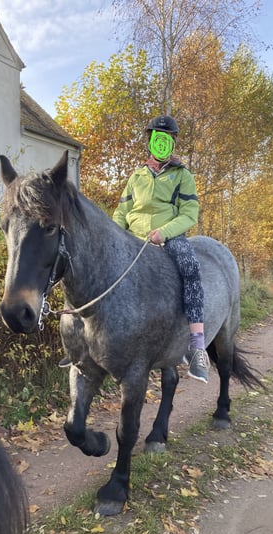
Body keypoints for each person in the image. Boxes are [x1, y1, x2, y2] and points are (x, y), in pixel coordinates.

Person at [112, 115, 210, 383]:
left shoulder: (182, 175)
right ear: (150, 141)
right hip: (132, 238)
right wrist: (115, 235)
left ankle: (197, 346)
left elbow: (190, 213)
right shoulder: (137, 176)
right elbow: (122, 211)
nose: (160, 143)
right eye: (156, 138)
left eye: (165, 139)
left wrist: (164, 233)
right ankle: (82, 343)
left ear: (172, 143)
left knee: (190, 269)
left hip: (169, 238)